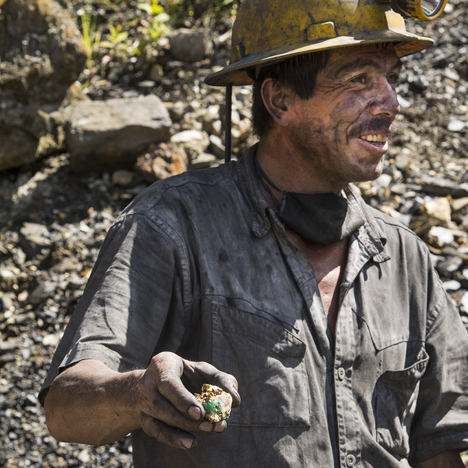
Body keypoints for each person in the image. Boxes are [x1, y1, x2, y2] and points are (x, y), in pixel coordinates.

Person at [40, 0, 468, 466]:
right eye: (359, 79)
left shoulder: (405, 259)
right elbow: (65, 410)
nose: (390, 102)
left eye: (392, 78)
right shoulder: (171, 225)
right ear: (280, 99)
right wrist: (137, 392)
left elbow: (440, 446)